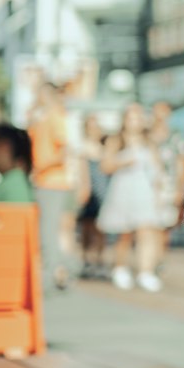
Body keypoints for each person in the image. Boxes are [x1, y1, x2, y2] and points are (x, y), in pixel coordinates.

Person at [97, 104, 163, 292]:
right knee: (124, 234)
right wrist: (123, 161)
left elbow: (157, 169)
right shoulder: (116, 140)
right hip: (123, 190)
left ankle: (145, 271)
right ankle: (120, 268)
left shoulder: (148, 141)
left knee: (147, 232)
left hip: (144, 191)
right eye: (131, 118)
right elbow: (106, 165)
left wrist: (158, 193)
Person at [28, 81, 77, 290]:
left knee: (49, 230)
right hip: (48, 181)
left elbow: (63, 151)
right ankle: (58, 271)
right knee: (50, 230)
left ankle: (56, 273)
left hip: (52, 182)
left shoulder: (55, 116)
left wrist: (39, 168)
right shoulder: (44, 117)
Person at [148, 100, 184, 265]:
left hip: (168, 187)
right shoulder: (147, 135)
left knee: (164, 228)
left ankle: (158, 260)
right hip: (148, 186)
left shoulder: (176, 137)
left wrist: (180, 189)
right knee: (148, 226)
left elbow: (183, 163)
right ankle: (148, 263)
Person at [76, 113, 110, 278]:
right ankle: (87, 259)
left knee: (101, 227)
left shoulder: (105, 146)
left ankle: (99, 259)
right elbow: (82, 171)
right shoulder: (83, 147)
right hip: (90, 188)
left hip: (103, 188)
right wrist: (85, 188)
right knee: (87, 227)